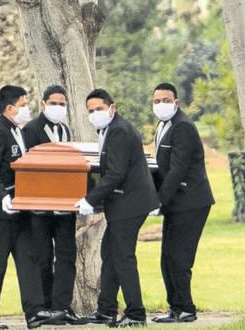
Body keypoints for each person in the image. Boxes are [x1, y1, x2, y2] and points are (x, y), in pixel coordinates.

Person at [0, 85, 64, 329]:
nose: (27, 109)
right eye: (23, 104)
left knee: (29, 260)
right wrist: (3, 196)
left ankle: (34, 311)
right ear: (10, 108)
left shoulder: (16, 131)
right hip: (0, 212)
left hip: (20, 209)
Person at [76, 89, 159, 327]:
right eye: (91, 111)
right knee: (109, 254)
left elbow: (115, 174)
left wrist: (90, 200)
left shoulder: (119, 131)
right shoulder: (111, 130)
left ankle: (135, 314)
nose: (94, 114)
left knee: (122, 257)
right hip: (125, 203)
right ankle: (106, 310)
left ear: (112, 108)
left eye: (99, 109)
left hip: (130, 203)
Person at [22, 85, 88, 325]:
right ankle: (46, 307)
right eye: (54, 103)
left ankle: (63, 306)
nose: (58, 108)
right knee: (43, 257)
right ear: (43, 104)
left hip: (64, 208)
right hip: (39, 208)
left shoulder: (65, 129)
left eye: (62, 104)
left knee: (67, 256)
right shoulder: (30, 130)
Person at [150, 83, 214, 323]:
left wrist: (158, 201)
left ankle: (186, 308)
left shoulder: (183, 127)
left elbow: (177, 170)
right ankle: (175, 308)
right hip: (175, 202)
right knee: (167, 257)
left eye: (166, 100)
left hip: (191, 202)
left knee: (179, 257)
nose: (160, 105)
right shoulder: (163, 125)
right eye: (156, 101)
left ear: (176, 102)